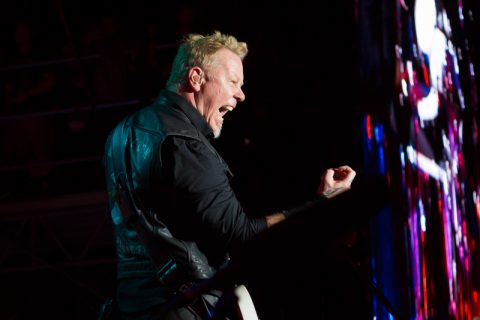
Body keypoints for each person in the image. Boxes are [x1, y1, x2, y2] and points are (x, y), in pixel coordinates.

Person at [103, 30, 356, 319]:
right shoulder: (183, 143)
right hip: (181, 309)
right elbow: (242, 236)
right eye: (233, 82)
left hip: (132, 307)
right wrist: (324, 203)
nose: (241, 94)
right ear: (196, 78)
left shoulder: (120, 134)